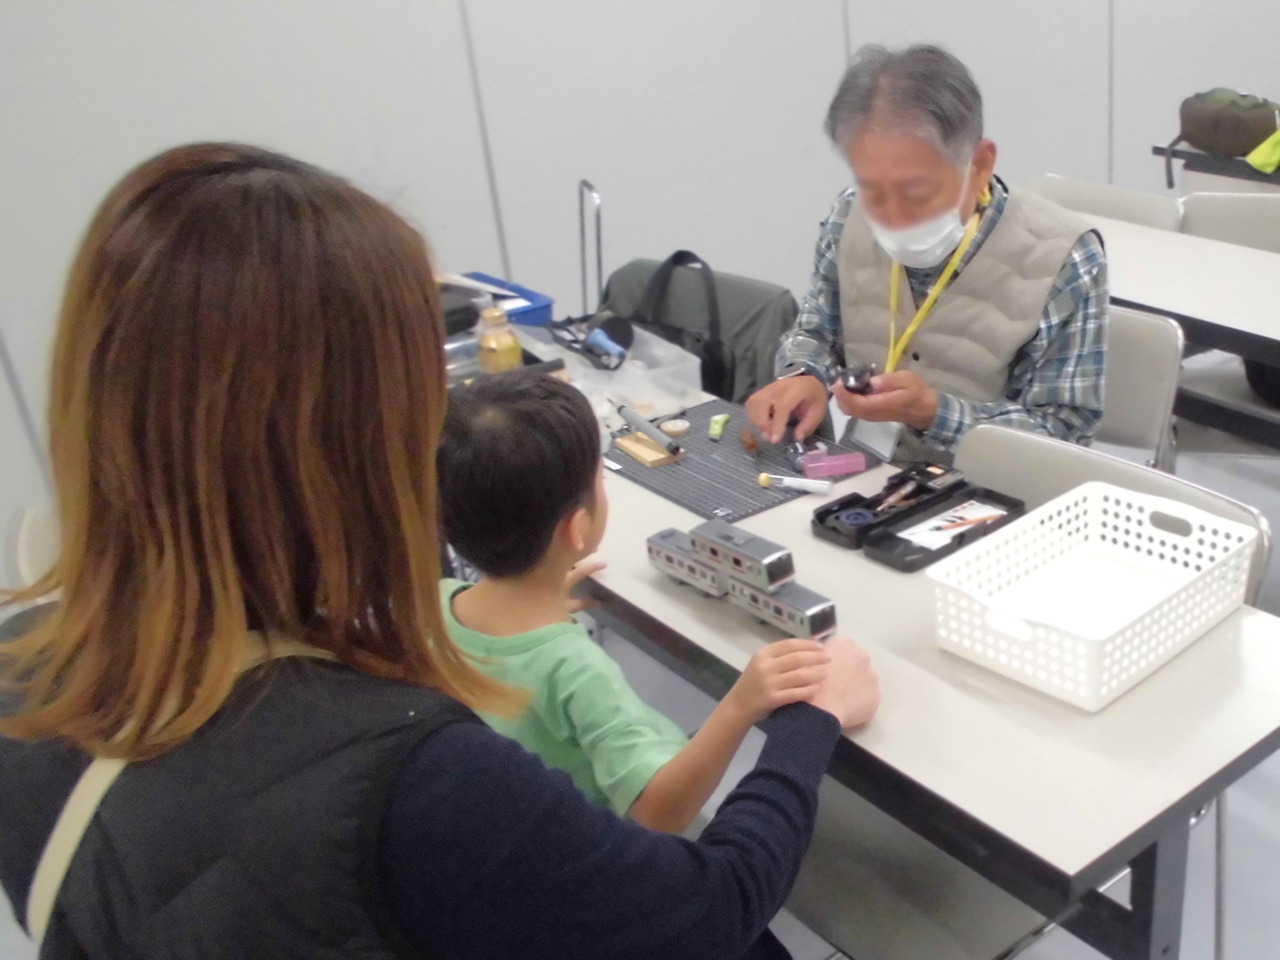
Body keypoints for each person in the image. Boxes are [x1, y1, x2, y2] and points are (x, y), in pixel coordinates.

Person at [0, 143, 881, 960]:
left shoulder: (21, 673)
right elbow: (708, 909)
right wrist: (807, 724)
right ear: (348, 441)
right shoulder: (409, 775)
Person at [437, 373, 833, 835]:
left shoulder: (435, 606)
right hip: (592, 852)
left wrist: (537, 597)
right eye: (601, 479)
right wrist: (739, 705)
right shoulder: (574, 670)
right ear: (576, 528)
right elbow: (658, 812)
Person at [746, 44, 1107, 465]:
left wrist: (936, 415)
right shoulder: (848, 216)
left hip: (984, 489)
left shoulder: (1063, 259)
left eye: (916, 190)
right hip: (865, 473)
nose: (892, 215)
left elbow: (1062, 438)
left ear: (980, 165)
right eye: (872, 190)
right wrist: (804, 374)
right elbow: (816, 331)